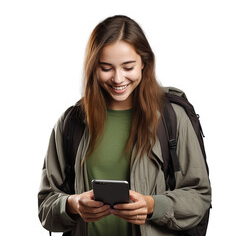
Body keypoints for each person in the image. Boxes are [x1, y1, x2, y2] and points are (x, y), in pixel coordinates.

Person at [38, 15, 211, 235]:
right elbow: (46, 205)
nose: (118, 79)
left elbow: (199, 195)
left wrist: (153, 205)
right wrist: (72, 205)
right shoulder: (70, 124)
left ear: (144, 64)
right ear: (93, 68)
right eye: (106, 68)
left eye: (128, 67)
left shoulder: (172, 118)